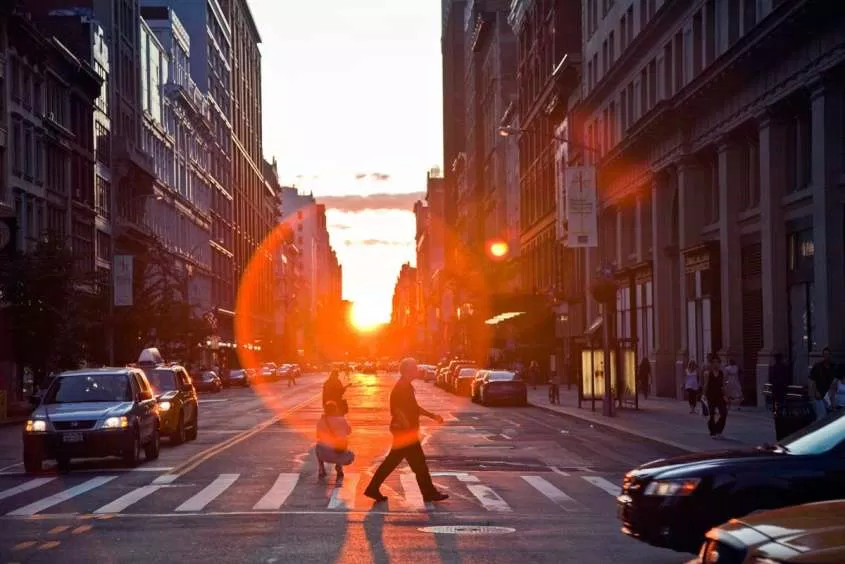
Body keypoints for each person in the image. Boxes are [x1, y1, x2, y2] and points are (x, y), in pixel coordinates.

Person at [364, 357, 448, 503]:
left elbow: (414, 408)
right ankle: (429, 493)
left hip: (405, 431)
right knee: (417, 464)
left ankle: (373, 488)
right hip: (405, 432)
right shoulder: (402, 386)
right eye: (414, 368)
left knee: (401, 462)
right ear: (408, 371)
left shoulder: (406, 385)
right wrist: (406, 425)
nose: (417, 370)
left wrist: (432, 416)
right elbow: (397, 409)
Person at [315, 401, 355, 480]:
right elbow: (349, 431)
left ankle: (321, 468)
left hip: (324, 454)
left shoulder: (321, 421)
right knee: (341, 444)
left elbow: (317, 435)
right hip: (340, 455)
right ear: (335, 410)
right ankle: (339, 466)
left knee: (318, 446)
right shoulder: (341, 420)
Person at [702, 354, 728, 439]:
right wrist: (704, 395)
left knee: (724, 413)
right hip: (711, 396)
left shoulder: (722, 373)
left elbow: (723, 385)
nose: (716, 364)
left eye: (718, 362)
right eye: (714, 362)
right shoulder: (707, 373)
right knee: (711, 414)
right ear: (711, 364)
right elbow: (705, 385)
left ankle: (718, 430)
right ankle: (713, 432)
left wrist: (725, 395)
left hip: (719, 396)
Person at [769, 353, 791, 440]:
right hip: (782, 390)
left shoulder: (774, 367)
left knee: (777, 406)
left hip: (776, 390)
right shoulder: (784, 367)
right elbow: (787, 378)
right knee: (782, 405)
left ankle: (777, 412)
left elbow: (771, 379)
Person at [809, 347, 836, 420]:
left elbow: (836, 381)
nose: (826, 356)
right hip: (820, 394)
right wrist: (815, 392)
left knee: (830, 417)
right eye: (825, 354)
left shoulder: (833, 367)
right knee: (821, 417)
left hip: (830, 395)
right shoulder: (818, 366)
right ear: (823, 355)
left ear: (830, 355)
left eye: (828, 354)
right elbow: (812, 381)